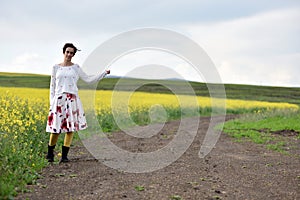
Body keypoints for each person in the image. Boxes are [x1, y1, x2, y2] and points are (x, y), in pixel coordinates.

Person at [46, 43, 110, 163]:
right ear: (64, 52)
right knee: (56, 128)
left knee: (70, 128)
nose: (69, 54)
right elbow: (52, 86)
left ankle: (64, 156)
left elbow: (89, 79)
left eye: (71, 53)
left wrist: (104, 73)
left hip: (72, 99)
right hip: (59, 100)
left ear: (74, 55)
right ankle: (50, 154)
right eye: (67, 52)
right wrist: (52, 103)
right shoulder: (55, 67)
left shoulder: (76, 68)